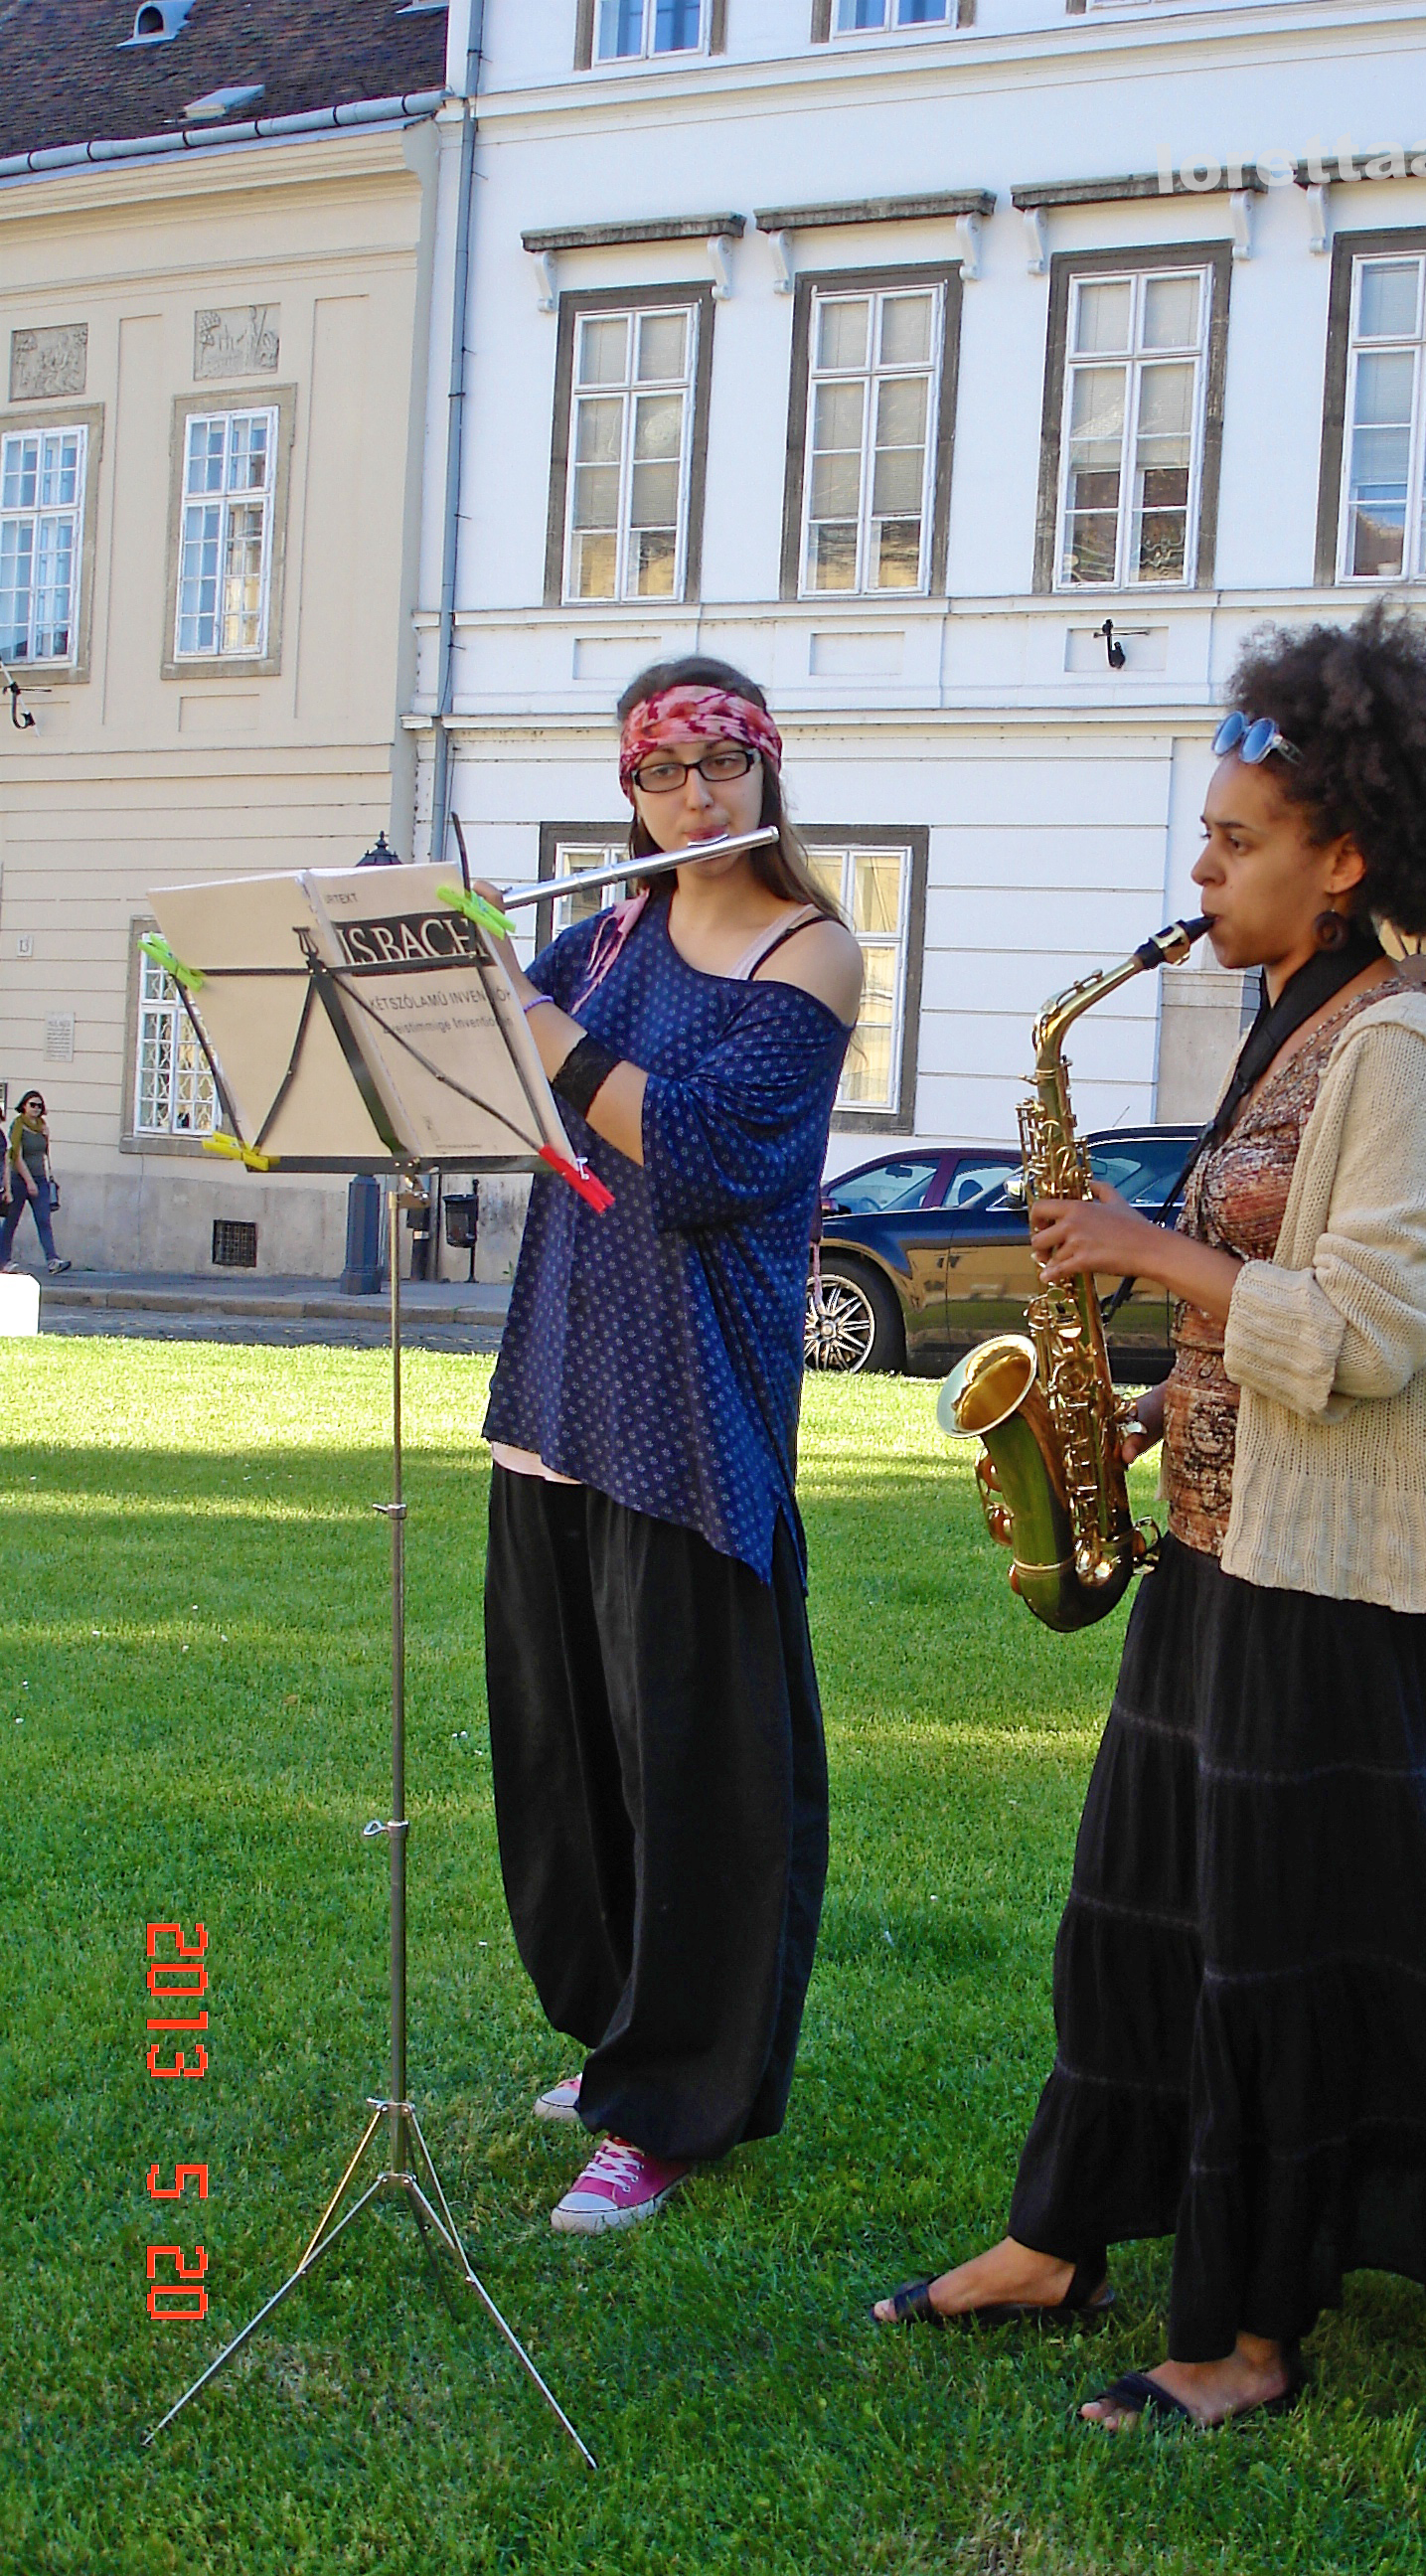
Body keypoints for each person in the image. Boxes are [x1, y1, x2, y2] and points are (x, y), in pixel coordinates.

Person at [873, 603, 1426, 2428]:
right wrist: (1142, 1392)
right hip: (1219, 1546)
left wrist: (1142, 1250)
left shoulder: (1401, 1052)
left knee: (1271, 1956)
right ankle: (1058, 2236)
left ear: (1341, 857)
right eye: (1202, 835)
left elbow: (1369, 1332)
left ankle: (1244, 2334)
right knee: (1130, 1915)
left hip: (1329, 1585)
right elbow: (1268, 1311)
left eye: (1230, 841)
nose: (1196, 869)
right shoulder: (1290, 1021)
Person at [479, 656, 862, 2234]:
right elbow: (505, 1085)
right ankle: (618, 2038)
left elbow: (700, 1155)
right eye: (662, 776)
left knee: (701, 1773)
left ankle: (675, 2108)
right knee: (573, 1761)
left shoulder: (810, 951)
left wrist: (544, 1028)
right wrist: (447, 972)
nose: (694, 801)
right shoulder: (607, 931)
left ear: (768, 775)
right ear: (624, 793)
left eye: (723, 767)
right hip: (560, 1385)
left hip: (691, 1414)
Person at [0, 1091, 72, 1273]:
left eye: (39, 1106)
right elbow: (16, 1155)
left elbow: (43, 1154)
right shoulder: (18, 1125)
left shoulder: (41, 1126)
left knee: (43, 1219)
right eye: (32, 1104)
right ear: (24, 1105)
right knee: (11, 1221)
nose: (36, 1109)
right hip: (19, 1180)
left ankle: (52, 1260)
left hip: (40, 1178)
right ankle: (3, 1260)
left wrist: (46, 1136)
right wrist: (28, 1181)